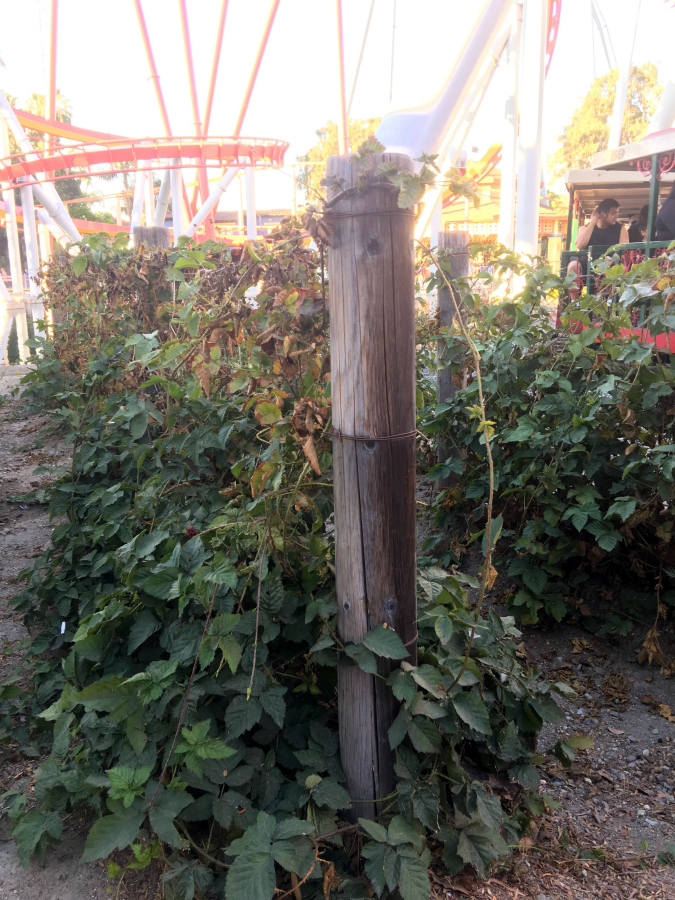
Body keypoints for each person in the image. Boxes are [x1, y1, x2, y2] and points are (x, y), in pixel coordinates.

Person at [566, 198, 628, 301]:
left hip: (610, 265)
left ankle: (609, 303)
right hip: (587, 266)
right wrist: (592, 223)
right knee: (573, 266)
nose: (617, 216)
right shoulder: (585, 228)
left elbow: (624, 252)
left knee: (619, 269)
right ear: (602, 214)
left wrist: (610, 262)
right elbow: (579, 245)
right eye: (613, 213)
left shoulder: (621, 229)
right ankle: (575, 303)